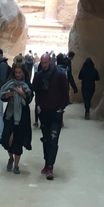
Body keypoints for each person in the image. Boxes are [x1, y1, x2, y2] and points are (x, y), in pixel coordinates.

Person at [31, 52, 69, 180]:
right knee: (46, 140)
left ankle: (50, 167)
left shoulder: (60, 75)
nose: (44, 65)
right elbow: (37, 92)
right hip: (44, 114)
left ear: (50, 62)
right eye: (42, 63)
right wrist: (38, 105)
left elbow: (65, 93)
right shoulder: (39, 76)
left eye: (46, 63)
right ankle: (46, 163)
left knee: (53, 141)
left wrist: (61, 108)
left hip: (56, 114)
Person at [0, 56, 34, 174]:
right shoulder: (10, 83)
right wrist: (8, 95)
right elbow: (3, 96)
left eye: (20, 73)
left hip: (22, 115)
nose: (18, 75)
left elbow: (29, 99)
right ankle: (10, 158)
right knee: (7, 138)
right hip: (10, 114)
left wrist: (21, 93)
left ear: (23, 73)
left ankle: (16, 164)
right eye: (16, 73)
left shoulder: (27, 85)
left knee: (18, 139)